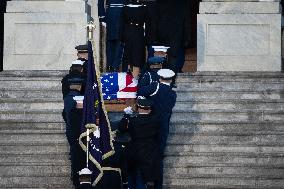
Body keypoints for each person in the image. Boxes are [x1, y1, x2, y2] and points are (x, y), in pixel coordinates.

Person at [137, 69, 176, 189]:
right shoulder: (173, 93)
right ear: (171, 79)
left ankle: (144, 182)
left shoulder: (155, 86)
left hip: (151, 126)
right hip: (163, 128)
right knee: (158, 158)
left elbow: (141, 90)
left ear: (159, 78)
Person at [124, 98, 160, 189]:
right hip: (150, 153)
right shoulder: (155, 121)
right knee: (146, 179)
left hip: (134, 152)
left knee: (133, 178)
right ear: (150, 109)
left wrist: (126, 116)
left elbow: (121, 128)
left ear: (138, 108)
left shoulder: (132, 121)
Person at [121, 0, 147, 79]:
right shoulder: (143, 7)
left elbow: (122, 22)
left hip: (130, 31)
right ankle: (132, 78)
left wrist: (122, 35)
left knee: (132, 54)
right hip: (137, 32)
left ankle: (131, 78)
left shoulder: (125, 7)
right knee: (136, 54)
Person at [69, 95, 86, 188]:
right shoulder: (86, 114)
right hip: (84, 143)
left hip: (76, 143)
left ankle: (76, 182)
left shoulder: (72, 113)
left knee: (76, 165)